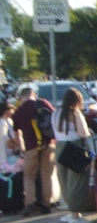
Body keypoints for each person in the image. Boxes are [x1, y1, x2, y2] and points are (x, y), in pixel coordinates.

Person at [53, 88, 94, 223]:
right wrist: (89, 132)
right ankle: (75, 215)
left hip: (60, 147)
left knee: (64, 181)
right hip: (75, 147)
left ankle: (70, 211)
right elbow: (83, 133)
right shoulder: (75, 113)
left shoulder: (56, 112)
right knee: (77, 181)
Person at [14, 86, 57, 215]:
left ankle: (30, 203)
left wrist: (21, 148)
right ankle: (46, 204)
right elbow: (54, 120)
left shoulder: (19, 111)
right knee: (46, 175)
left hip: (30, 147)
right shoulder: (43, 103)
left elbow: (17, 134)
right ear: (33, 95)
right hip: (48, 145)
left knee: (29, 176)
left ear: (22, 97)